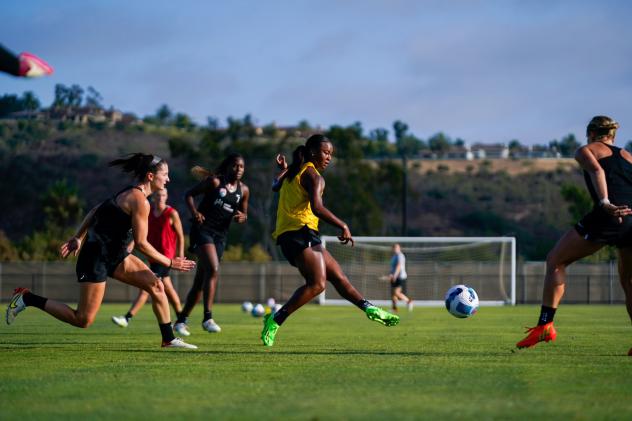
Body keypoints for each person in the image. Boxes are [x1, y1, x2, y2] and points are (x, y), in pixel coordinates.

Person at [5, 153, 198, 349]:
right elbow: (141, 243)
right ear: (150, 176)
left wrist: (78, 237)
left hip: (115, 255)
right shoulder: (139, 200)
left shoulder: (132, 194)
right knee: (83, 319)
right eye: (165, 174)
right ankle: (27, 298)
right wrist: (171, 262)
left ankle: (168, 339)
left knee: (156, 286)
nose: (168, 179)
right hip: (95, 257)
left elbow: (95, 210)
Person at [261, 134, 400, 347]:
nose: (329, 158)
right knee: (317, 284)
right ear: (313, 152)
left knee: (338, 276)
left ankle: (369, 308)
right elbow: (317, 208)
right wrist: (342, 225)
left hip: (294, 234)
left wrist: (283, 169)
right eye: (326, 153)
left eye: (331, 154)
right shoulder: (313, 176)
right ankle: (275, 319)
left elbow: (274, 185)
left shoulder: (293, 170)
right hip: (300, 232)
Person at [516, 116, 632, 352]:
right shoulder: (628, 156)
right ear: (612, 136)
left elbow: (597, 170)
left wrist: (605, 202)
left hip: (610, 214)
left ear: (590, 133)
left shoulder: (585, 149)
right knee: (629, 281)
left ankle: (545, 326)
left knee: (556, 260)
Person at [173, 153, 249, 336]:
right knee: (213, 269)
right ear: (228, 166)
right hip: (202, 231)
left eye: (241, 167)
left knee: (200, 282)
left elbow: (244, 214)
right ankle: (208, 318)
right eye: (235, 166)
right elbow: (188, 195)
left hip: (220, 237)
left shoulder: (244, 190)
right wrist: (195, 213)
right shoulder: (215, 182)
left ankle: (181, 321)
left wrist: (242, 217)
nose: (238, 170)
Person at [111, 188, 185, 328]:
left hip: (165, 258)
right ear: (153, 197)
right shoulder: (149, 213)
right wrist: (131, 244)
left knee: (147, 287)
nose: (160, 197)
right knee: (168, 288)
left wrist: (180, 256)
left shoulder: (172, 213)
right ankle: (182, 320)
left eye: (163, 195)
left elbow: (180, 236)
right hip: (153, 257)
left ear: (167, 196)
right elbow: (141, 233)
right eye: (158, 195)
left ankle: (127, 318)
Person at [389, 243, 413, 312]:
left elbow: (399, 266)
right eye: (394, 248)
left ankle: (409, 301)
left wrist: (395, 275)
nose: (395, 249)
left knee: (396, 292)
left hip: (400, 277)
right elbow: (392, 268)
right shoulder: (394, 257)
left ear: (399, 248)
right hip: (394, 277)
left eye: (396, 247)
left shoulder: (400, 256)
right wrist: (391, 274)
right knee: (393, 294)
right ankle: (394, 308)